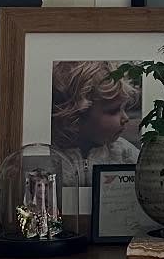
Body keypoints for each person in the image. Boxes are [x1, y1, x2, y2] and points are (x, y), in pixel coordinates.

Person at [50, 60, 141, 195]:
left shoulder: (126, 154)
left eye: (124, 108)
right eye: (113, 110)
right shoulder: (51, 158)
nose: (125, 118)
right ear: (75, 116)